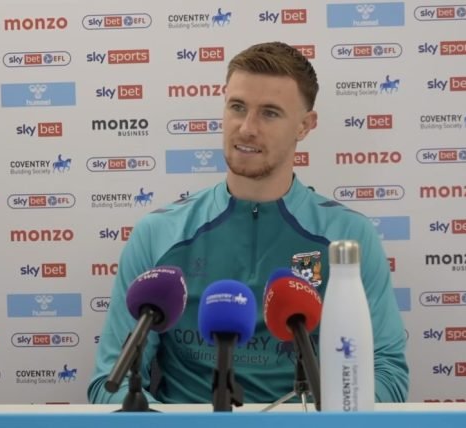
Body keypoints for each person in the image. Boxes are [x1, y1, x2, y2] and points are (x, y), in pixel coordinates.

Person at [89, 41, 408, 405]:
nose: (246, 128)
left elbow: (387, 375)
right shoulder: (158, 234)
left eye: (270, 113)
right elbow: (109, 384)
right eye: (237, 107)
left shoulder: (348, 238)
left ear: (305, 126)